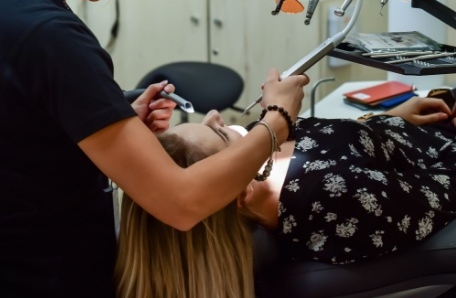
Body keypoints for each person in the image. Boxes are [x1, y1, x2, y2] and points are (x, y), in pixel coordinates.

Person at [0, 0, 307, 297]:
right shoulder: (56, 37)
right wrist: (275, 123)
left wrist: (108, 114)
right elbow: (182, 204)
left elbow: (23, 123)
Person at [115, 96, 456, 297]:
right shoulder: (334, 201)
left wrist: (387, 119)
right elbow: (443, 186)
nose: (216, 115)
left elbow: (352, 150)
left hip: (417, 123)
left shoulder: (261, 156)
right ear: (240, 193)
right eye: (218, 132)